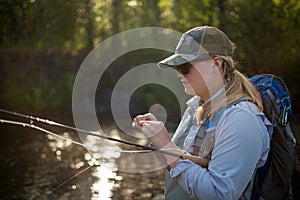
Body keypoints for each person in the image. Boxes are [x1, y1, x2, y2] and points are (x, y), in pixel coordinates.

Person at [132, 25, 273, 200]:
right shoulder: (197, 107)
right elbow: (176, 162)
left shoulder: (241, 119)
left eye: (185, 66)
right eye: (177, 67)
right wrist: (158, 137)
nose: (179, 73)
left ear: (216, 63)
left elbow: (219, 194)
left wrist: (167, 145)